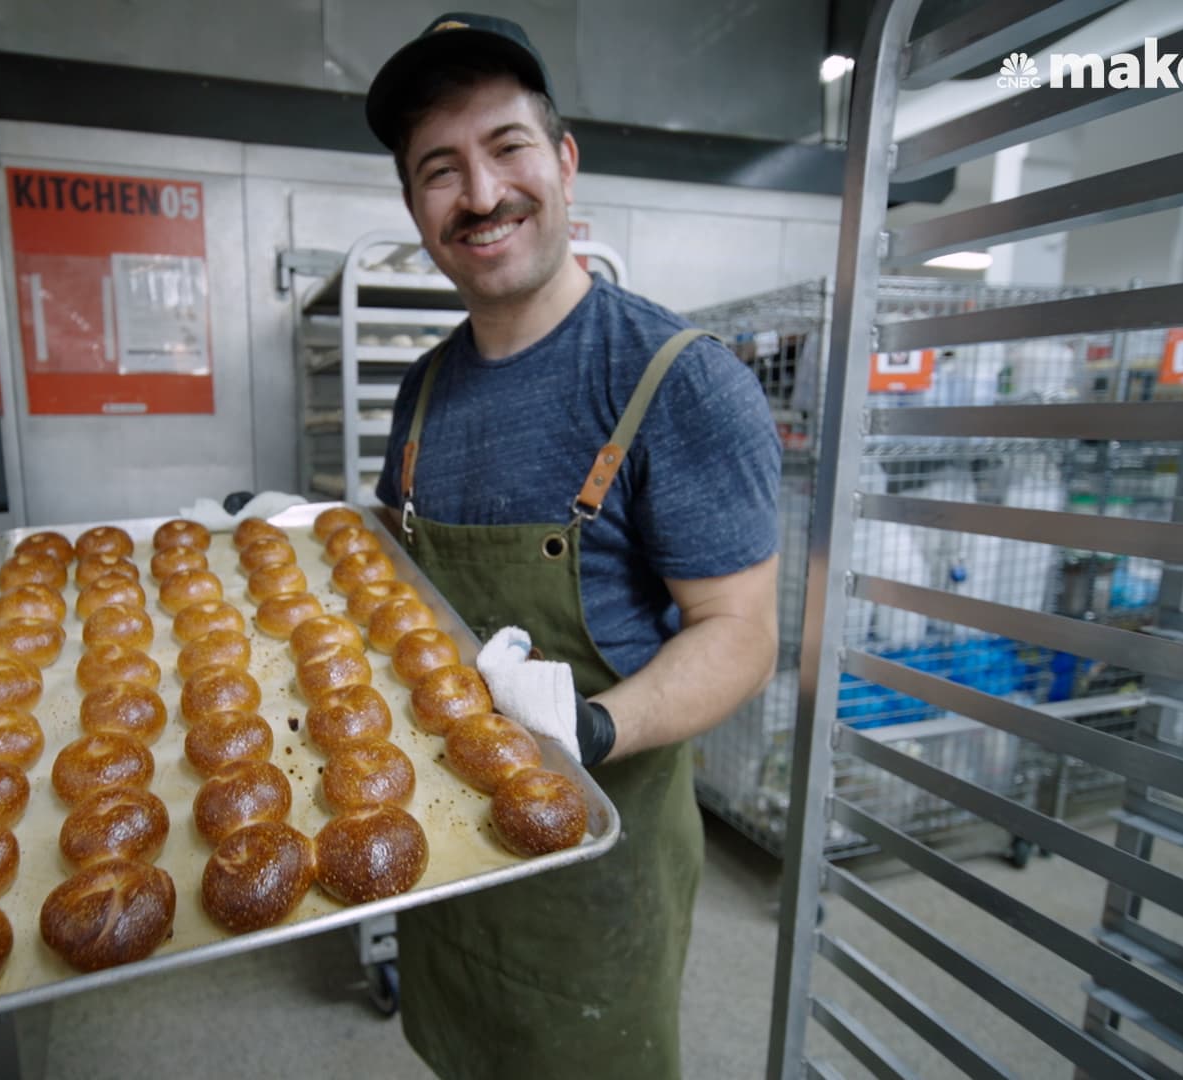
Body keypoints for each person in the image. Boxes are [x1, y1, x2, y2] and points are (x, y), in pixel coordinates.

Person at [362, 13, 782, 1079]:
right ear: (417, 208)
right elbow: (399, 588)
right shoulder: (423, 388)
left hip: (596, 880)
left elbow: (740, 632)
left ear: (563, 162)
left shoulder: (677, 381)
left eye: (506, 147)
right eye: (440, 170)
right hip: (448, 863)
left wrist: (592, 729)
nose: (483, 192)